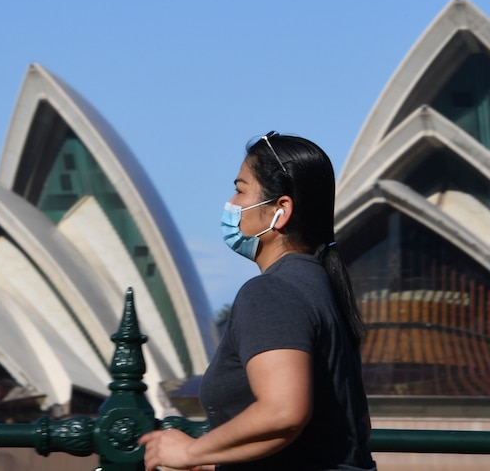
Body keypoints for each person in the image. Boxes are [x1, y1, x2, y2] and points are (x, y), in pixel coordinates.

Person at [139, 132, 375, 471]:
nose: (231, 204)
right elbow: (356, 425)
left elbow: (283, 412)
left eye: (240, 189)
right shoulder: (325, 289)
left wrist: (192, 452)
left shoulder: (271, 292)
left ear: (280, 210)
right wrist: (213, 462)